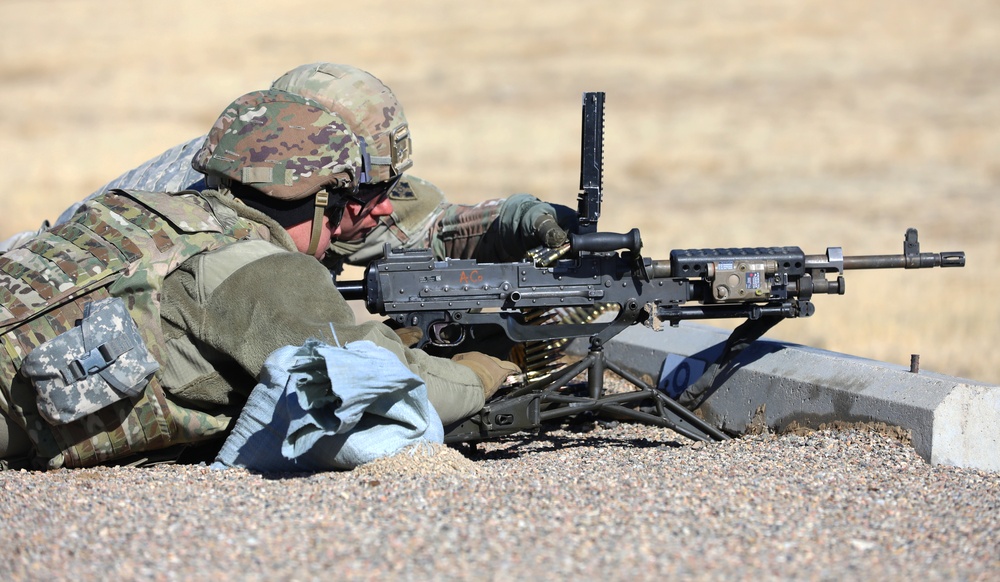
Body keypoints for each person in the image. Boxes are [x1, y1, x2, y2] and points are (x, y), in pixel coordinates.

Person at [0, 89, 522, 470]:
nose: (382, 209)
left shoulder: (145, 209)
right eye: (363, 197)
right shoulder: (261, 272)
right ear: (320, 201)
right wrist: (488, 364)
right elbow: (399, 383)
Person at [0, 62, 574, 272]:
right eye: (367, 190)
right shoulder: (192, 203)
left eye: (384, 187)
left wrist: (523, 221)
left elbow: (430, 230)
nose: (377, 207)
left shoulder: (329, 193)